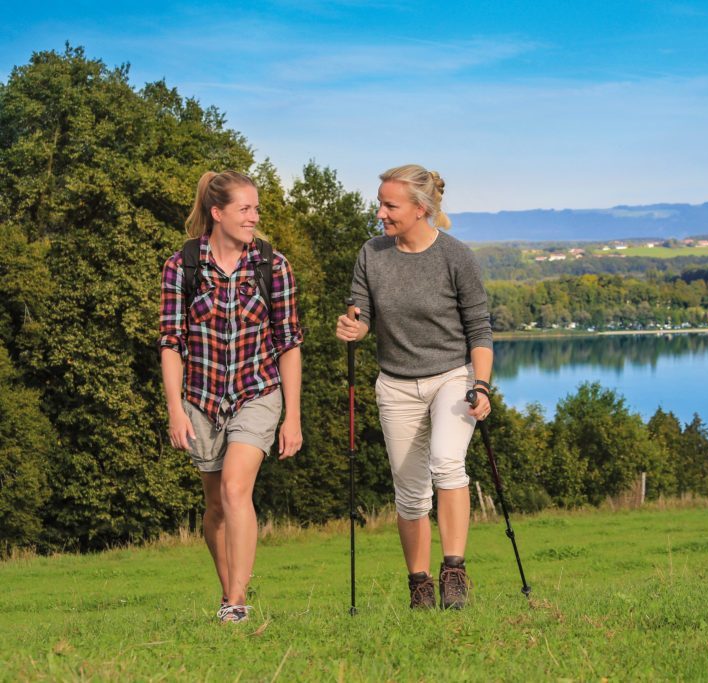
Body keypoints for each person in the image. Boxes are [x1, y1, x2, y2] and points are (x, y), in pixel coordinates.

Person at [335, 164, 492, 610]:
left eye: (390, 205)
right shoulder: (372, 253)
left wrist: (481, 386)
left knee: (446, 462)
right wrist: (353, 326)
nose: (380, 212)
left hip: (451, 376)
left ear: (420, 209)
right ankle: (419, 585)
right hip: (396, 383)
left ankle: (455, 572)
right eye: (380, 202)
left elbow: (479, 329)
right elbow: (360, 312)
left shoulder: (455, 256)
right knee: (409, 492)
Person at [159, 171, 304, 623]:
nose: (254, 217)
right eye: (245, 209)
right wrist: (175, 411)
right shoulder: (181, 267)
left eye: (256, 209)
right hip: (200, 400)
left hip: (256, 392)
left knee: (236, 488)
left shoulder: (272, 266)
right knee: (216, 506)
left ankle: (237, 604)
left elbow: (289, 342)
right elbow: (171, 342)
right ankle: (228, 591)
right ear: (217, 213)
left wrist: (292, 417)